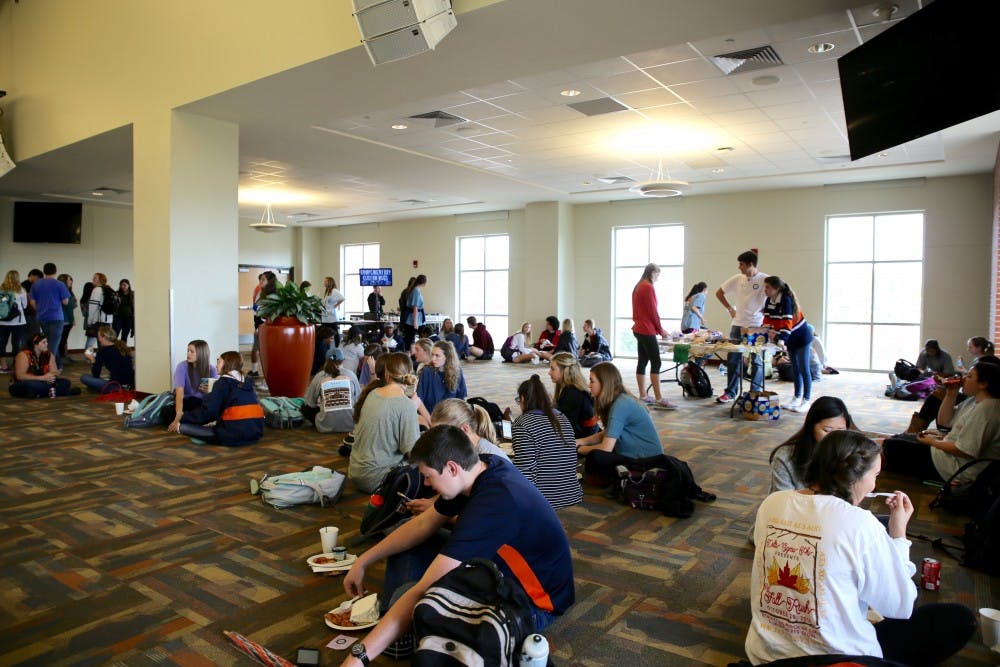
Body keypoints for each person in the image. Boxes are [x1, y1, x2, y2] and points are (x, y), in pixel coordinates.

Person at [339, 425, 575, 667]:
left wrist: (357, 658)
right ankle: (398, 625)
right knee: (409, 541)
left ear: (452, 468)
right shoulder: (481, 466)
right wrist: (364, 560)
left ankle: (399, 625)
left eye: (428, 476)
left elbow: (422, 589)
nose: (426, 484)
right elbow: (422, 525)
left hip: (537, 605)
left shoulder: (493, 504)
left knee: (424, 599)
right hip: (503, 568)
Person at [745, 430, 976, 665]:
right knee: (959, 619)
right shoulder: (860, 524)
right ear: (854, 476)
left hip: (765, 656)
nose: (874, 484)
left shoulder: (771, 503)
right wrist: (898, 534)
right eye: (875, 475)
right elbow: (900, 605)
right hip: (837, 660)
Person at [882, 357, 1000, 485]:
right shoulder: (974, 401)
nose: (964, 378)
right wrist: (951, 393)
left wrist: (933, 442)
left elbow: (964, 451)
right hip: (946, 454)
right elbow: (945, 422)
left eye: (970, 376)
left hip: (954, 467)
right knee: (896, 440)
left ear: (983, 384)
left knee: (891, 447)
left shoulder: (987, 408)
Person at [576, 362, 664, 486]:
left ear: (604, 383)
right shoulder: (620, 399)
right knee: (593, 454)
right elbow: (608, 433)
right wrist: (581, 442)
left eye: (592, 381)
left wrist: (579, 449)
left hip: (648, 462)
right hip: (643, 457)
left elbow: (605, 449)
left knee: (595, 456)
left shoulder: (620, 405)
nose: (589, 385)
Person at [349, 352, 421, 493]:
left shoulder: (372, 393)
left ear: (387, 374)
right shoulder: (406, 405)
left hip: (356, 472)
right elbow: (412, 453)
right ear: (410, 374)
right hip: (379, 479)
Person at [512, 375, 583, 510]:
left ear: (523, 399)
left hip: (544, 500)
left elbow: (525, 470)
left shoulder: (523, 423)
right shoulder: (562, 417)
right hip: (572, 494)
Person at [170, 350, 264, 446]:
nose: (216, 366)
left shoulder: (222, 383)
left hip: (232, 435)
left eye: (219, 362)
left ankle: (181, 426)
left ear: (227, 364)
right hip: (255, 433)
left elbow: (208, 413)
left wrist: (182, 417)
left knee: (183, 427)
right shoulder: (247, 383)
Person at [906, 336, 994, 433]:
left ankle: (919, 430)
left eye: (970, 347)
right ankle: (921, 429)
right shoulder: (979, 361)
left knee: (936, 397)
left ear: (979, 348)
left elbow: (968, 379)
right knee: (936, 394)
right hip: (970, 395)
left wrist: (952, 385)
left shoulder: (984, 363)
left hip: (972, 397)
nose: (968, 349)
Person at [768, 396, 857, 493]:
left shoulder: (853, 454)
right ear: (811, 427)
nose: (834, 438)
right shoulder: (786, 458)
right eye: (827, 430)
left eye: (841, 431)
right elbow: (783, 499)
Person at [715, 250, 768, 404]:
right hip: (737, 325)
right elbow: (719, 293)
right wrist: (730, 309)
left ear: (751, 264)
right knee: (733, 359)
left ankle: (755, 393)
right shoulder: (738, 279)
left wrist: (767, 311)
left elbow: (777, 294)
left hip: (756, 326)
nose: (739, 267)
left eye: (741, 264)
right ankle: (730, 392)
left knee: (757, 361)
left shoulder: (765, 279)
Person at [762, 275, 814, 413]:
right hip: (790, 338)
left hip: (801, 337)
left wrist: (781, 339)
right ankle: (796, 397)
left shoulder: (786, 300)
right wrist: (766, 333)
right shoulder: (769, 300)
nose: (765, 290)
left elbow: (787, 322)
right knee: (795, 368)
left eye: (767, 287)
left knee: (804, 368)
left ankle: (806, 400)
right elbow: (767, 319)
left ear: (776, 289)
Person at [631, 263, 676, 409]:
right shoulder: (648, 287)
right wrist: (661, 330)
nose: (658, 278)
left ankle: (643, 395)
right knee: (656, 362)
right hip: (646, 329)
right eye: (657, 275)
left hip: (638, 328)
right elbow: (653, 312)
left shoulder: (638, 286)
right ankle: (659, 398)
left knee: (643, 361)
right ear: (652, 273)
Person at [161, 339, 218, 430]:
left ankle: (188, 421)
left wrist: (209, 390)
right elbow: (179, 392)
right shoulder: (182, 366)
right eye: (188, 350)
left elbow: (215, 396)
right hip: (186, 403)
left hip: (202, 404)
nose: (188, 354)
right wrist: (178, 414)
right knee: (165, 411)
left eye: (192, 351)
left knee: (201, 406)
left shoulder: (211, 369)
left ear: (201, 353)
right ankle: (194, 421)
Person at [28, 263, 72, 371]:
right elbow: (65, 302)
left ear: (44, 272)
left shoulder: (36, 284)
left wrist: (40, 310)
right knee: (53, 344)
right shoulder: (60, 284)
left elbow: (32, 302)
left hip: (42, 317)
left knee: (50, 343)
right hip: (56, 317)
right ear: (55, 271)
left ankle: (58, 365)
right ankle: (49, 367)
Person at [303, 353, 360, 433]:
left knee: (304, 408)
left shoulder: (319, 376)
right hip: (351, 424)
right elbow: (358, 400)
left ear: (326, 360)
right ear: (342, 361)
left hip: (324, 426)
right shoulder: (351, 374)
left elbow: (310, 403)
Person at [415, 340, 467, 427]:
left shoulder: (457, 371)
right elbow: (419, 401)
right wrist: (432, 423)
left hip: (450, 417)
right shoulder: (427, 371)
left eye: (437, 356)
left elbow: (461, 399)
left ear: (447, 357)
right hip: (430, 416)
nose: (433, 359)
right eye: (432, 355)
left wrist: (457, 419)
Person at [548, 352, 599, 438]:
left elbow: (565, 428)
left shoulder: (572, 394)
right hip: (587, 432)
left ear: (565, 371)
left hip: (584, 437)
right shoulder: (570, 389)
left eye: (552, 369)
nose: (549, 373)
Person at [8, 333, 75, 398]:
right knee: (32, 385)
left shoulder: (49, 355)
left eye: (46, 342)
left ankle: (38, 394)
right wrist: (42, 378)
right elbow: (20, 376)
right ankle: (63, 392)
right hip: (25, 382)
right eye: (44, 342)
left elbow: (54, 372)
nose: (47, 344)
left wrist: (51, 376)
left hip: (43, 382)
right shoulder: (23, 355)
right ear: (35, 344)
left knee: (66, 382)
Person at [80, 325, 135, 391]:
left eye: (98, 336)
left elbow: (96, 374)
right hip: (131, 383)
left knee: (84, 377)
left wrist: (92, 359)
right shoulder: (122, 346)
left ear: (103, 337)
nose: (98, 338)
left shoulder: (103, 351)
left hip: (117, 386)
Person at [0, 270, 29, 373]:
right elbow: (25, 306)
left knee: (2, 343)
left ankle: (3, 366)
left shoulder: (1, 289)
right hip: (18, 321)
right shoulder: (21, 290)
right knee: (16, 343)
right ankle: (16, 365)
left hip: (2, 321)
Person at [250, 271, 277, 376]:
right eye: (260, 279)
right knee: (256, 349)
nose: (260, 281)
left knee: (265, 352)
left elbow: (269, 313)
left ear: (269, 281)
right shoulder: (261, 291)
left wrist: (261, 327)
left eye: (263, 279)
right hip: (258, 324)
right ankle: (255, 371)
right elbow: (257, 307)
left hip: (265, 326)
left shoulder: (272, 295)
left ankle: (270, 375)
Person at [83, 272, 114, 351]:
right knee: (105, 342)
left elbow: (92, 308)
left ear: (100, 280)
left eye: (95, 278)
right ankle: (104, 357)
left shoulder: (97, 290)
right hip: (108, 321)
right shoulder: (109, 289)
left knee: (90, 343)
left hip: (97, 321)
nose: (93, 279)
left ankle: (89, 357)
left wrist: (89, 321)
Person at [402, 274, 427, 352]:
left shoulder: (415, 290)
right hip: (413, 318)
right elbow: (415, 307)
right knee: (410, 338)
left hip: (416, 317)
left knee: (411, 337)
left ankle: (414, 352)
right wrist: (415, 322)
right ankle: (410, 354)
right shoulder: (415, 290)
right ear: (424, 282)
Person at [56, 274, 77, 363]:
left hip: (64, 319)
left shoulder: (65, 291)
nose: (71, 281)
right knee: (62, 339)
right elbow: (68, 308)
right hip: (65, 319)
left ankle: (62, 356)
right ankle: (60, 358)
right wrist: (72, 320)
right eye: (69, 280)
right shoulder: (64, 292)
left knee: (62, 339)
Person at [321, 276, 345, 347]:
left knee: (335, 333)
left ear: (330, 282)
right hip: (325, 316)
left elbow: (342, 298)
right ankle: (326, 347)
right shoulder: (327, 291)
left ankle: (337, 347)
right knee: (325, 333)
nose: (324, 282)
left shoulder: (334, 291)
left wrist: (336, 305)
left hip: (332, 317)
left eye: (325, 281)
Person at [20, 268, 43, 335]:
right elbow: (31, 300)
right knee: (35, 335)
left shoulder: (21, 285)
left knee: (25, 335)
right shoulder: (27, 285)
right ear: (32, 275)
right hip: (31, 314)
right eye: (38, 278)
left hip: (23, 315)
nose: (39, 280)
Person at [113, 279, 135, 345]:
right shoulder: (117, 294)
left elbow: (134, 307)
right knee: (115, 335)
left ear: (128, 285)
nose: (122, 286)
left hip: (129, 318)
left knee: (124, 336)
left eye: (124, 285)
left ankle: (123, 350)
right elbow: (114, 306)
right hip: (118, 317)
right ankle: (113, 349)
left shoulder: (132, 294)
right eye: (121, 285)